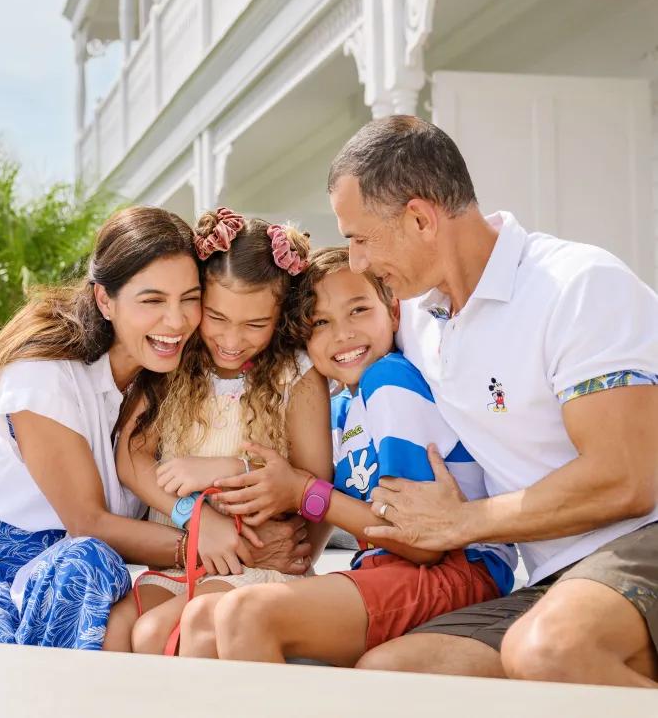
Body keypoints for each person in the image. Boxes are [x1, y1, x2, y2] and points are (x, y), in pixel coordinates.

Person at [328, 116, 658, 687]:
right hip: (556, 574)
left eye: (359, 238)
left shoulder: (577, 286)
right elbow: (316, 346)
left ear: (420, 218)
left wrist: (463, 522)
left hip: (643, 537)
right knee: (394, 675)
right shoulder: (419, 321)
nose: (355, 262)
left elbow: (628, 478)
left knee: (550, 651)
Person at [0, 206, 313, 650]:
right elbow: (88, 521)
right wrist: (211, 538)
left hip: (89, 569)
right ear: (105, 300)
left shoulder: (175, 371)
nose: (175, 321)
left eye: (189, 299)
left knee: (86, 564)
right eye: (152, 301)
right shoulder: (44, 372)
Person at [194, 246, 516, 664]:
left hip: (458, 568)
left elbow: (419, 541)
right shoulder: (345, 410)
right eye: (320, 322)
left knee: (246, 612)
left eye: (358, 310)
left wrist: (303, 492)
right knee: (203, 617)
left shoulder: (390, 380)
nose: (342, 334)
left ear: (394, 314)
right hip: (387, 568)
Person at [109, 208, 331, 656]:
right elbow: (132, 459)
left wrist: (225, 468)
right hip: (184, 551)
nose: (232, 340)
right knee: (119, 629)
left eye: (255, 324)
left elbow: (313, 483)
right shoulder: (175, 360)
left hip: (254, 562)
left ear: (279, 316)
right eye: (217, 318)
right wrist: (192, 514)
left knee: (157, 635)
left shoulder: (295, 375)